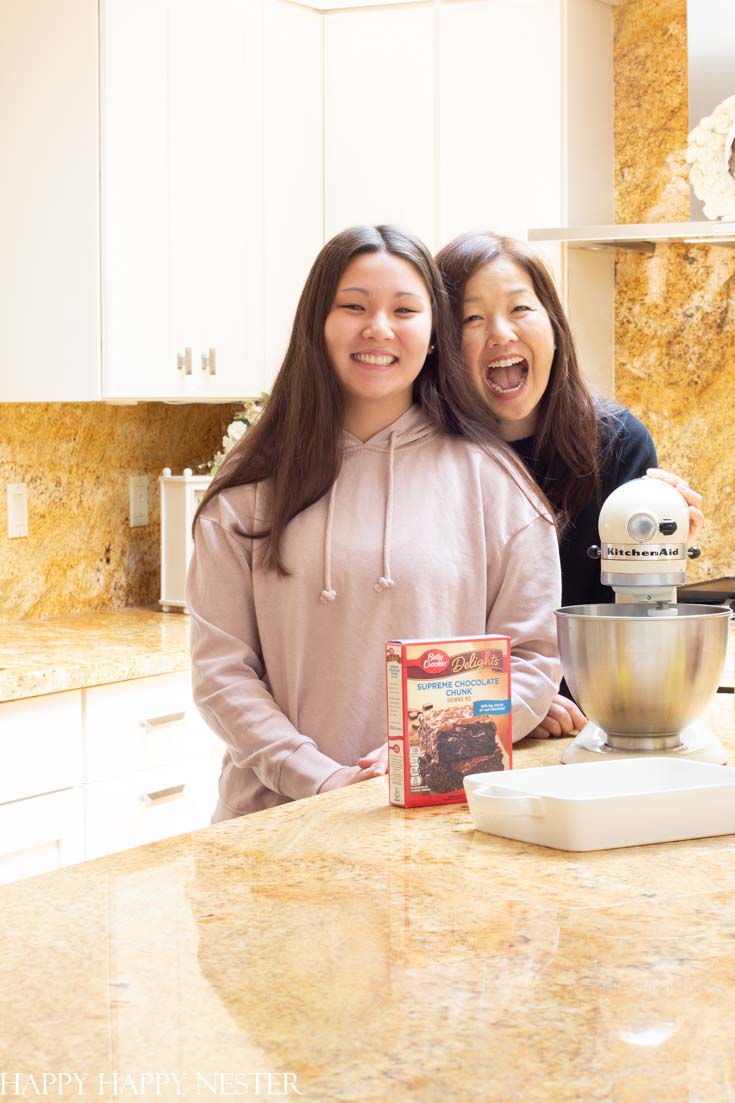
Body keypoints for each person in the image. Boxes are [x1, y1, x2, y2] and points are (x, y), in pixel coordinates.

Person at [186, 225, 562, 821]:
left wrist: (424, 752)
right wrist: (321, 780)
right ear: (318, 324)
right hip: (272, 830)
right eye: (353, 307)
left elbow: (533, 659)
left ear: (434, 333)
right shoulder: (251, 481)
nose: (379, 328)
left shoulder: (497, 482)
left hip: (438, 820)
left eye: (405, 309)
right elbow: (220, 672)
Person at [435, 231, 705, 738]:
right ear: (442, 345)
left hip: (588, 724)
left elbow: (626, 630)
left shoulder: (617, 442)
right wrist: (512, 707)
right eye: (471, 318)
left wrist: (657, 549)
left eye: (520, 308)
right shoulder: (429, 457)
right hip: (459, 725)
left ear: (554, 325)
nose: (501, 333)